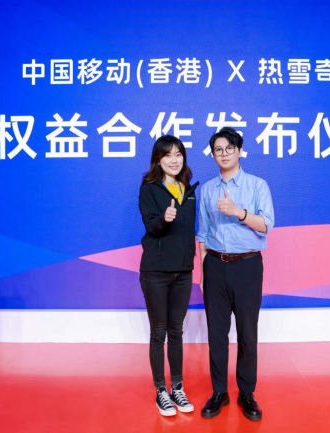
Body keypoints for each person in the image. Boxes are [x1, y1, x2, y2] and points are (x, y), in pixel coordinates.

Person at [197, 127, 274, 421]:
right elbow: (203, 234)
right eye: (218, 149)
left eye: (230, 148)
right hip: (215, 265)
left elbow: (266, 225)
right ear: (213, 155)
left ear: (240, 151)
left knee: (247, 333)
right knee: (216, 334)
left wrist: (238, 212)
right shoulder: (207, 190)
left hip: (247, 266)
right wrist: (203, 272)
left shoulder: (257, 185)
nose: (224, 154)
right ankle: (219, 392)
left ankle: (246, 393)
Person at [138, 135, 199, 416]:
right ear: (158, 160)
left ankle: (177, 387)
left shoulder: (189, 189)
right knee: (158, 333)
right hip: (156, 272)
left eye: (178, 154)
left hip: (183, 272)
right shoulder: (149, 189)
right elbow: (151, 226)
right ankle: (160, 391)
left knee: (176, 331)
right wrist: (164, 219)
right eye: (167, 155)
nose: (174, 160)